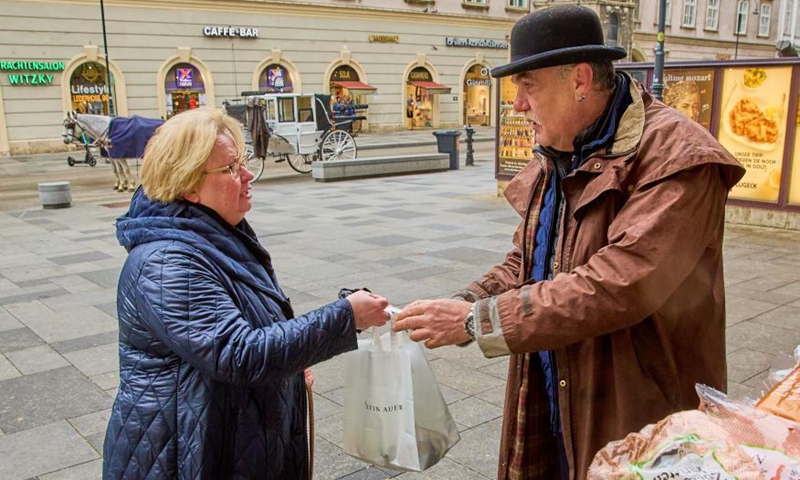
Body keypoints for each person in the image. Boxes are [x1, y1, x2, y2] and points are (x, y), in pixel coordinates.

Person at [393, 5, 745, 480]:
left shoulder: (678, 157)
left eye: (528, 85)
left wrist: (476, 322)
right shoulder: (560, 152)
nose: (517, 104)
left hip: (637, 413)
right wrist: (461, 303)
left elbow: (617, 284)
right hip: (557, 392)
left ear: (579, 79)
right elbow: (525, 261)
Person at [103, 108, 391, 479]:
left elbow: (250, 323)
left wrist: (292, 359)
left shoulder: (215, 233)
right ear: (188, 184)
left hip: (225, 439)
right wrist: (345, 317)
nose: (247, 175)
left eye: (242, 162)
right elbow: (237, 353)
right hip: (184, 456)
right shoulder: (165, 261)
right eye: (230, 169)